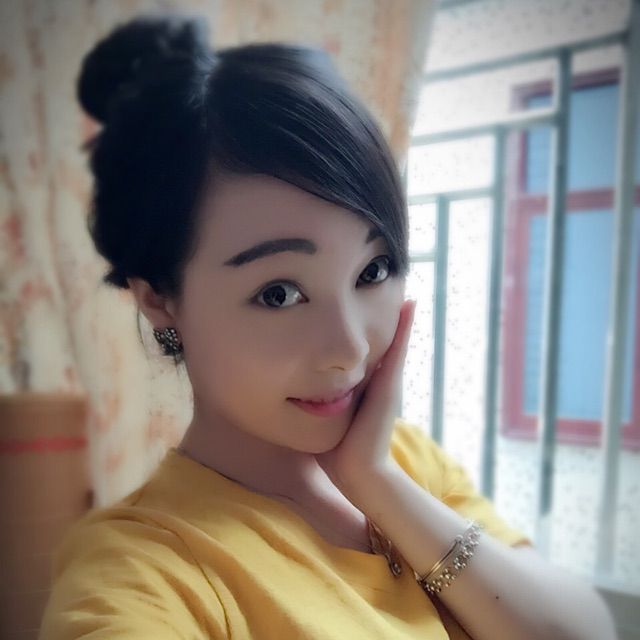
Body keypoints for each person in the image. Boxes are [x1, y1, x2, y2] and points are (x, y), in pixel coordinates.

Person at [39, 12, 617, 640]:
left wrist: (377, 483)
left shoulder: (404, 459)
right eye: (279, 293)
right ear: (158, 297)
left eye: (373, 270)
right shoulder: (144, 571)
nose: (350, 347)